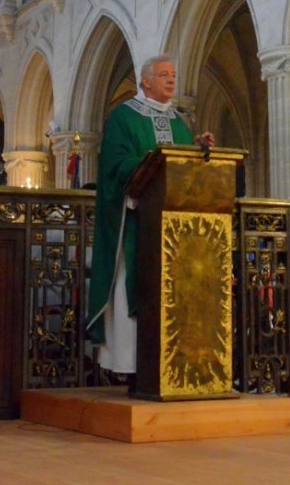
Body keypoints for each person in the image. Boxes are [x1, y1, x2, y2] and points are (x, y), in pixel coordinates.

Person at [85, 54, 214, 375]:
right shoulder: (123, 118)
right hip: (136, 224)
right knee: (134, 285)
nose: (172, 80)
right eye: (164, 74)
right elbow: (115, 165)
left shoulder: (178, 121)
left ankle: (171, 362)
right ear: (145, 81)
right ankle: (130, 363)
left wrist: (198, 150)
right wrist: (151, 161)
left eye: (174, 74)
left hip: (175, 228)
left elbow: (181, 166)